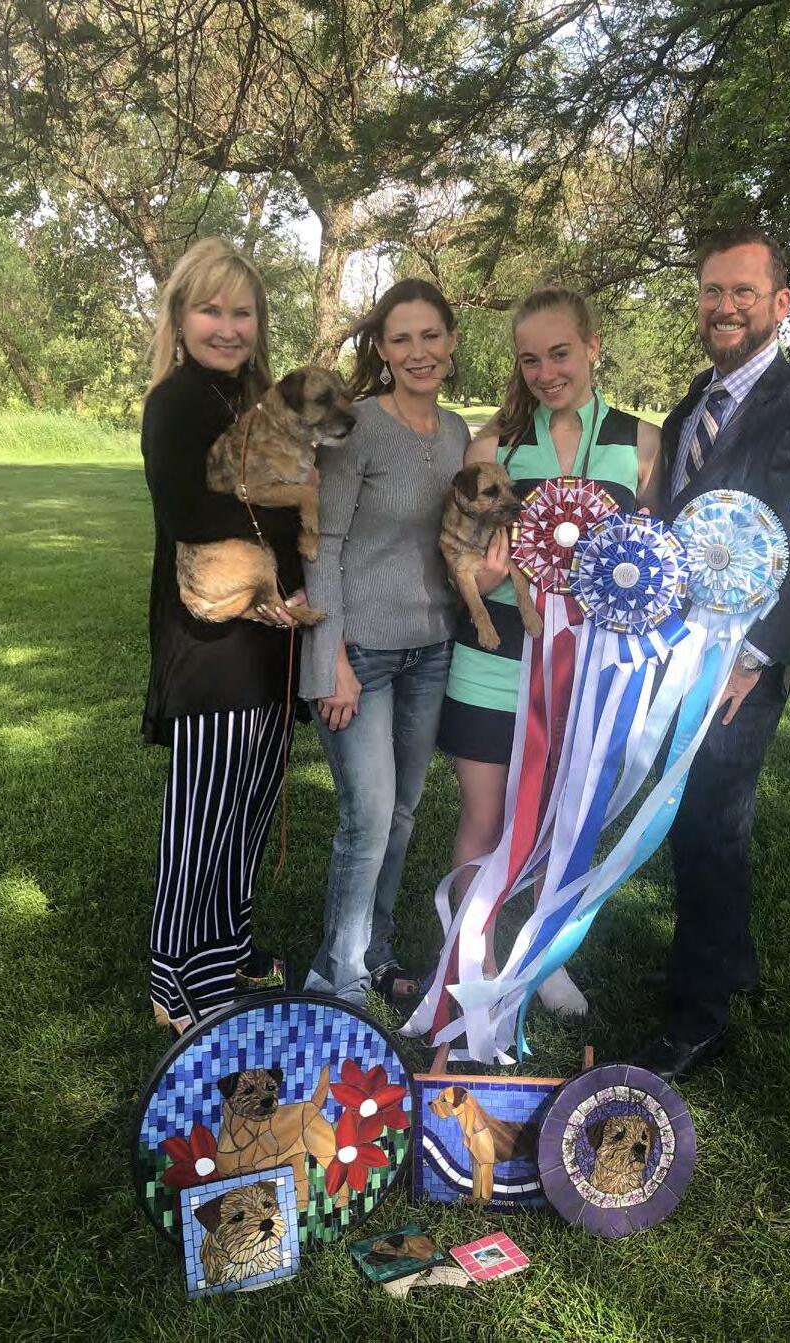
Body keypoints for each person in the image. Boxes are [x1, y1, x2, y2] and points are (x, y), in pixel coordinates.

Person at [636, 224, 790, 1082]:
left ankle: (699, 1017)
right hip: (681, 650)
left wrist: (757, 655)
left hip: (741, 665)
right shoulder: (699, 397)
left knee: (710, 823)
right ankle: (726, 963)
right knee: (695, 817)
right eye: (712, 291)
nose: (724, 306)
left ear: (780, 304)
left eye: (742, 292)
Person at [437, 287, 663, 1015]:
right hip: (493, 659)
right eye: (530, 359)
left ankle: (542, 955)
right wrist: (483, 576)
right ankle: (475, 956)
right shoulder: (491, 447)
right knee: (484, 817)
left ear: (593, 347)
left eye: (560, 353)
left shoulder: (643, 443)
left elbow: (655, 561)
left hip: (588, 669)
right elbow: (459, 561)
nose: (545, 372)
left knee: (562, 818)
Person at [142, 236, 307, 1034]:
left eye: (243, 313)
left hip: (271, 637)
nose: (228, 327)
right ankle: (177, 980)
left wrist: (293, 582)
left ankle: (229, 948)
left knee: (248, 804)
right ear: (180, 317)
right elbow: (187, 511)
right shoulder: (176, 401)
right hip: (212, 645)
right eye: (211, 310)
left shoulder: (259, 401)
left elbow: (294, 505)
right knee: (202, 816)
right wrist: (281, 528)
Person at [301, 279, 469, 1007]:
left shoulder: (458, 433)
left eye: (430, 335)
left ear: (451, 341)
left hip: (431, 650)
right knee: (367, 816)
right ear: (382, 348)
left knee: (401, 814)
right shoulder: (358, 427)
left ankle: (375, 949)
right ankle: (336, 978)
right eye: (401, 338)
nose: (418, 351)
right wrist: (329, 658)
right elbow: (321, 544)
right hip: (359, 654)